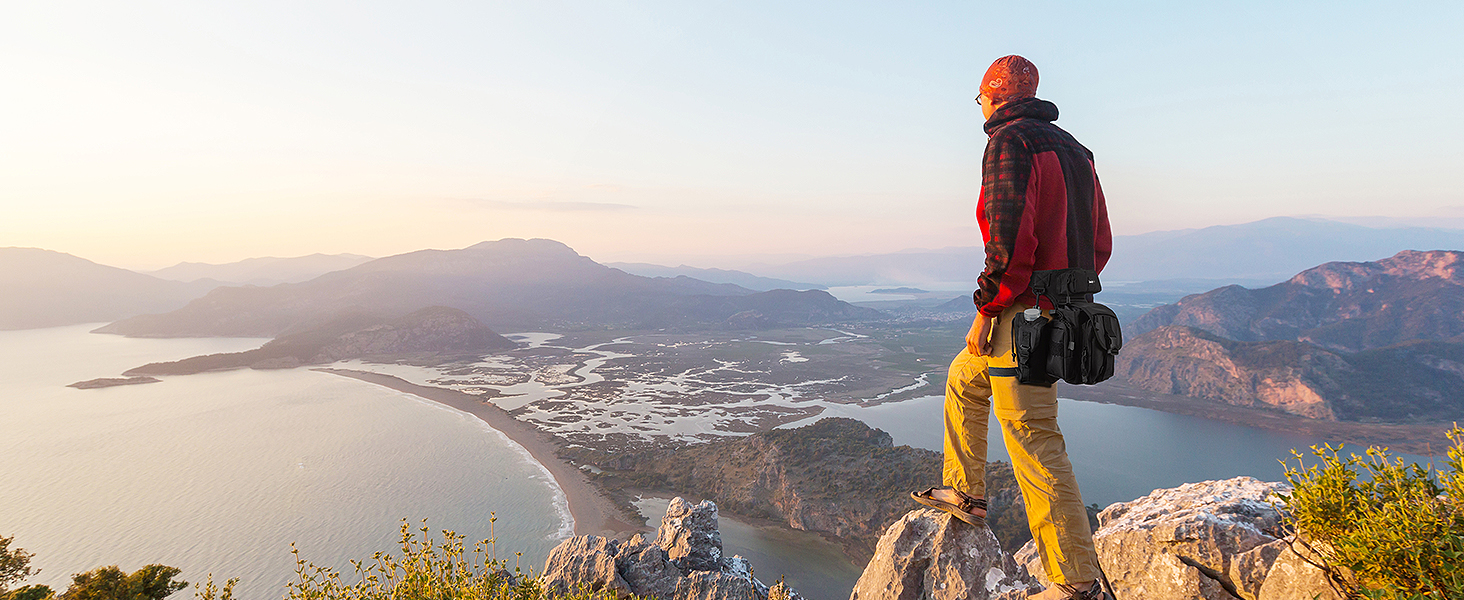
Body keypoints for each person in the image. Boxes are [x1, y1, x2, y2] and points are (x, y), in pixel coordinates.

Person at [910, 55, 1112, 600]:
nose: (978, 107)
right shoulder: (1075, 150)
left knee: (1033, 441)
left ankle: (1075, 581)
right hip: (1063, 312)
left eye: (978, 98)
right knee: (963, 379)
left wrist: (988, 309)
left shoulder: (1009, 144)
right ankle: (966, 495)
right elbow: (1100, 244)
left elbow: (1007, 241)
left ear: (993, 95)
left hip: (1020, 315)